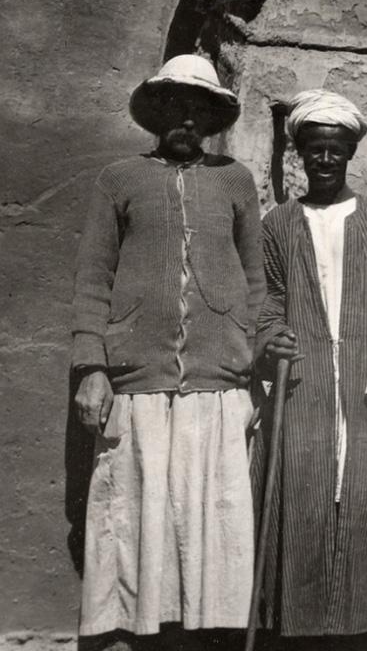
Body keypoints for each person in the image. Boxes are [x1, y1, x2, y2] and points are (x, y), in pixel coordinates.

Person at [70, 54, 264, 648]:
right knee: (134, 513)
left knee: (213, 514)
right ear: (157, 114)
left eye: (197, 108)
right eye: (174, 106)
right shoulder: (119, 178)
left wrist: (253, 357)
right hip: (139, 378)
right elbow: (93, 275)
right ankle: (139, 631)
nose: (186, 119)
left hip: (218, 380)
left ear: (211, 118)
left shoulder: (235, 180)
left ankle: (210, 631)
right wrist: (92, 366)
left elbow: (256, 278)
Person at [253, 90, 367, 649]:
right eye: (313, 150)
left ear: (349, 154)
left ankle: (365, 624)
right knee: (305, 492)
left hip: (366, 377)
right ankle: (302, 625)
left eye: (334, 150)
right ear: (298, 154)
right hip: (304, 379)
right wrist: (272, 336)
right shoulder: (278, 224)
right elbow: (267, 298)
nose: (324, 160)